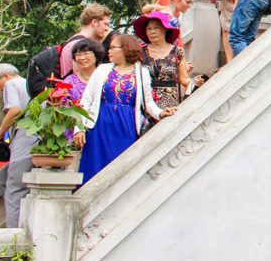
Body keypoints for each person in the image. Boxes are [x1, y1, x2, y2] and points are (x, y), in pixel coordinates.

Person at [74, 35, 174, 183]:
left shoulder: (142, 72)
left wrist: (160, 112)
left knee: (122, 173)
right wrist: (79, 128)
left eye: (114, 47)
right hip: (99, 127)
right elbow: (86, 101)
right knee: (95, 171)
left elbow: (148, 103)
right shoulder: (102, 70)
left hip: (126, 127)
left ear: (126, 49)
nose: (109, 51)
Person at [0, 64, 35, 227]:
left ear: (5, 76)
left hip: (24, 145)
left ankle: (13, 238)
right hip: (35, 145)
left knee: (14, 191)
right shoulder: (30, 84)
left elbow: (15, 109)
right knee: (1, 177)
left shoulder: (11, 84)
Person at [134, 11, 189, 109]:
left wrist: (197, 82)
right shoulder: (140, 52)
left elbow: (184, 79)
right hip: (146, 102)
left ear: (165, 29)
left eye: (156, 28)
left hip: (169, 105)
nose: (152, 31)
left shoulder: (177, 52)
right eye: (149, 28)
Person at [57, 3, 112, 79]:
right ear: (94, 22)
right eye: (105, 24)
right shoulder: (81, 45)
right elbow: (81, 79)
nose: (107, 29)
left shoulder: (72, 40)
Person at [65, 39, 103, 103]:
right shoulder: (69, 82)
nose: (82, 58)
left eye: (86, 53)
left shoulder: (107, 78)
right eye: (78, 54)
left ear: (96, 55)